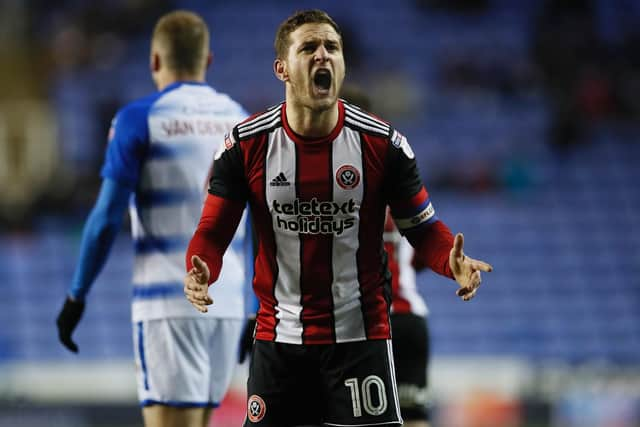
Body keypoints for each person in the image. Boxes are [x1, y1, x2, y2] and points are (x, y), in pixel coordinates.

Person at [183, 9, 493, 427]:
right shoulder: (246, 146)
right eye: (308, 47)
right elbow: (213, 232)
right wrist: (201, 270)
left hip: (359, 339)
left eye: (332, 47)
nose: (322, 56)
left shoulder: (383, 146)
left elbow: (423, 228)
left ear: (343, 63)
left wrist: (449, 262)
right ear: (282, 69)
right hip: (280, 341)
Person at [55, 10, 249, 427]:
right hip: (228, 301)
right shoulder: (241, 119)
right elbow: (259, 223)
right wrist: (255, 307)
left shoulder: (139, 118)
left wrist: (76, 296)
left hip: (168, 302)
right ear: (208, 60)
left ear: (155, 62)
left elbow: (106, 218)